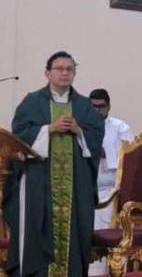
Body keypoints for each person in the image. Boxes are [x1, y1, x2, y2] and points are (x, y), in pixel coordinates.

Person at [3, 51, 104, 277]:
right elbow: (18, 136)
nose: (64, 73)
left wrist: (79, 131)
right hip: (39, 182)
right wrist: (49, 129)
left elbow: (96, 138)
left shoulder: (85, 106)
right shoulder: (32, 102)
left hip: (75, 187)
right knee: (37, 232)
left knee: (75, 234)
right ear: (47, 73)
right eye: (59, 68)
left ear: (75, 73)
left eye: (69, 69)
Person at [88, 89, 134, 229]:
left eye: (101, 106)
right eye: (93, 107)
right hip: (89, 184)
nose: (97, 110)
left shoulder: (120, 127)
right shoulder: (82, 126)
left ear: (108, 106)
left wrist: (105, 152)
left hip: (111, 185)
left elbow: (130, 153)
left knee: (107, 228)